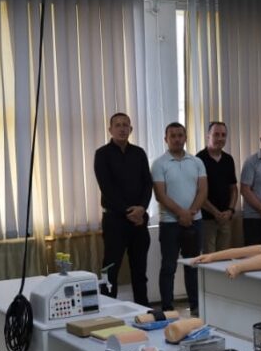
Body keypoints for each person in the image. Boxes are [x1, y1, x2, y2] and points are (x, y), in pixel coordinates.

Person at [93, 112, 152, 305]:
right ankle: (107, 309)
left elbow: (147, 184)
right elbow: (107, 188)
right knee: (110, 270)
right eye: (117, 125)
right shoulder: (102, 154)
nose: (122, 128)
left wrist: (142, 208)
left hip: (139, 221)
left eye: (125, 125)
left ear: (131, 129)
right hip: (115, 221)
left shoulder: (139, 153)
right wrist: (129, 212)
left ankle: (143, 309)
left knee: (140, 270)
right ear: (110, 129)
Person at [152, 122, 207, 314]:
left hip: (195, 222)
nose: (177, 139)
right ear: (166, 139)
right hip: (170, 224)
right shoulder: (159, 164)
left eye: (180, 135)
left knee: (193, 265)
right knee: (168, 267)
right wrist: (181, 213)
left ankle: (196, 306)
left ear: (185, 138)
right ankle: (167, 309)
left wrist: (190, 212)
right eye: (172, 136)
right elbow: (160, 195)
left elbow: (203, 190)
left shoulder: (197, 162)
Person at [196, 121, 239, 253]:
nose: (220, 138)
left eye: (223, 135)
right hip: (206, 219)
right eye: (216, 134)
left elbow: (233, 189)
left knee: (224, 257)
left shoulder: (228, 159)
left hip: (226, 218)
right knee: (209, 257)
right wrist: (215, 213)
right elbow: (197, 193)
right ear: (208, 136)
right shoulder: (198, 159)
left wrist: (230, 210)